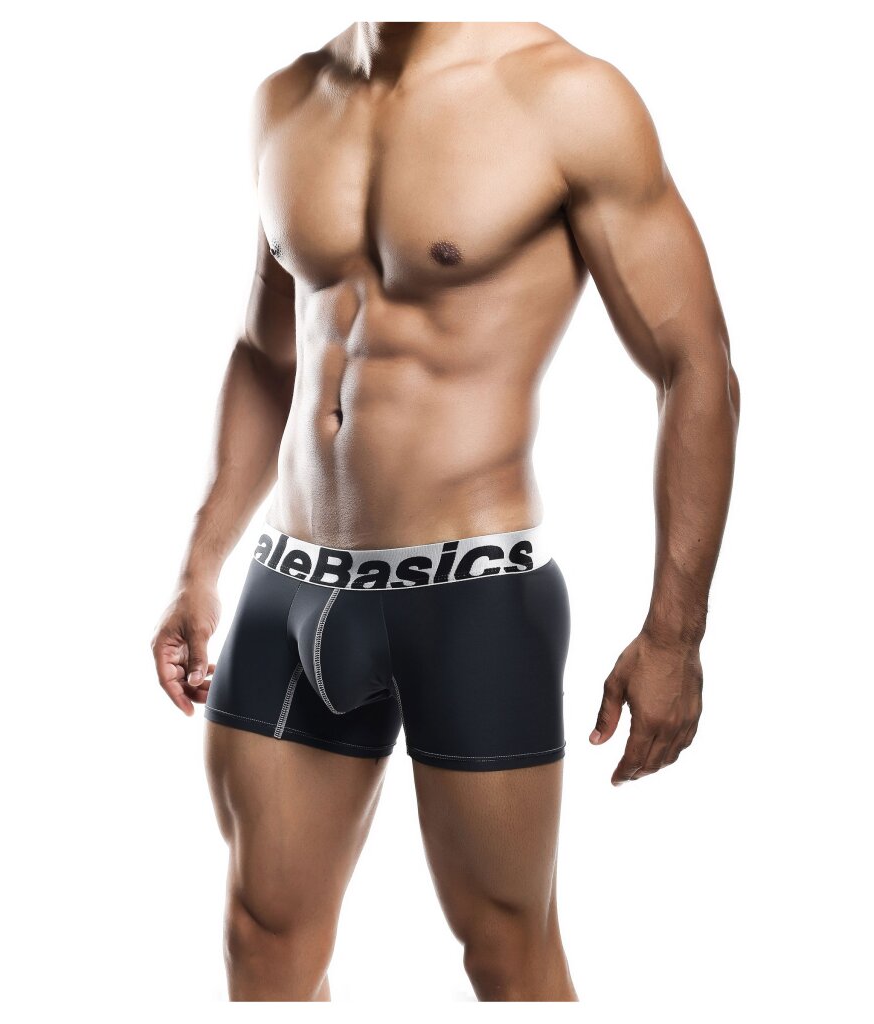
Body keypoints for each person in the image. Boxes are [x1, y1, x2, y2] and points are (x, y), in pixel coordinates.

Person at [151, 21, 740, 1002]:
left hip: (470, 593)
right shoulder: (286, 99)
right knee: (263, 933)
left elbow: (697, 366)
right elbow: (265, 354)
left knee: (506, 955)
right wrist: (198, 565)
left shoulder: (567, 100)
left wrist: (675, 635)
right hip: (291, 587)